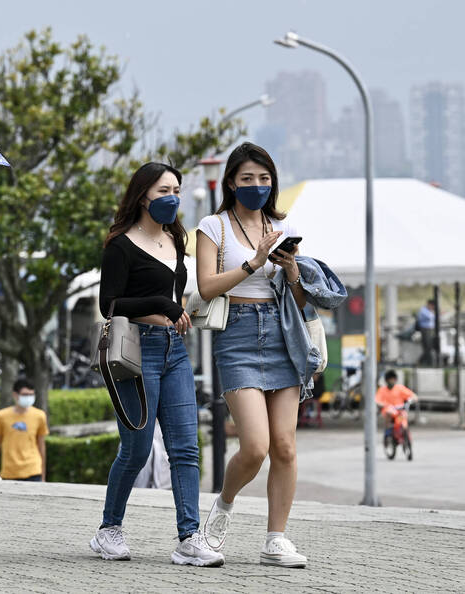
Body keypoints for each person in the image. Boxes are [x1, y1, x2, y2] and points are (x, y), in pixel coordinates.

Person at [91, 162, 223, 567]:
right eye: (165, 189)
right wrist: (160, 305)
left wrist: (186, 307)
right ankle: (108, 529)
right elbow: (109, 304)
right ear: (143, 194)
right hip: (137, 352)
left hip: (175, 350)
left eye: (178, 190)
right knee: (136, 448)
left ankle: (189, 537)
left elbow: (176, 296)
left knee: (186, 447)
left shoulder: (174, 238)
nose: (173, 197)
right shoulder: (120, 244)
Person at [196, 142, 308, 568]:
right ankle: (223, 505)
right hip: (238, 335)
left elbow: (297, 302)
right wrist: (254, 262)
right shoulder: (214, 226)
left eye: (264, 179)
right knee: (256, 446)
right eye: (248, 179)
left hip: (281, 333)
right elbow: (205, 287)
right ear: (231, 182)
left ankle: (275, 539)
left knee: (285, 446)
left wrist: (293, 271)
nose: (257, 186)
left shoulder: (280, 225)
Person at [0, 379, 48, 481]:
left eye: (31, 394)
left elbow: (41, 446)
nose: (29, 397)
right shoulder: (2, 415)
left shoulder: (40, 415)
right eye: (25, 394)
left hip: (33, 471)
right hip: (9, 472)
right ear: (15, 395)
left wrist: (43, 475)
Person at [417, 299, 436, 365]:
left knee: (430, 347)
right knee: (427, 346)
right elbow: (430, 317)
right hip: (425, 330)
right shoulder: (423, 310)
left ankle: (425, 361)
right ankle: (424, 361)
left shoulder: (430, 311)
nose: (432, 307)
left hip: (430, 330)